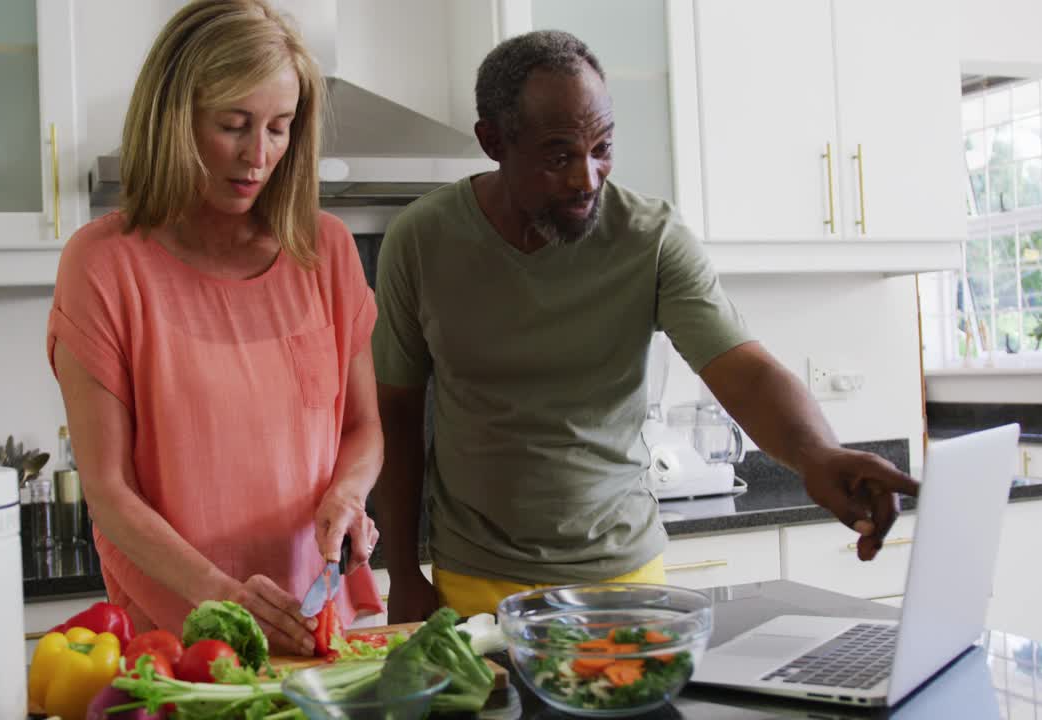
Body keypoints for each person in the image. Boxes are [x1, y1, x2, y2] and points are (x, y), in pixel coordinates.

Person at [371, 30, 920, 621]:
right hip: (475, 580)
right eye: (559, 156)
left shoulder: (649, 237)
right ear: (494, 141)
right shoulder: (421, 240)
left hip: (624, 575)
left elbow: (742, 367)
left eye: (602, 146)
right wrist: (404, 572)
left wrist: (818, 454)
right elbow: (397, 419)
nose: (588, 178)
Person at [46, 0, 382, 655]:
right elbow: (110, 491)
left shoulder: (326, 251)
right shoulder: (105, 266)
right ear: (175, 117)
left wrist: (347, 493)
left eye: (280, 128)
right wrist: (221, 596)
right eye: (234, 125)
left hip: (317, 626)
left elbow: (363, 428)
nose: (259, 155)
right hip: (179, 642)